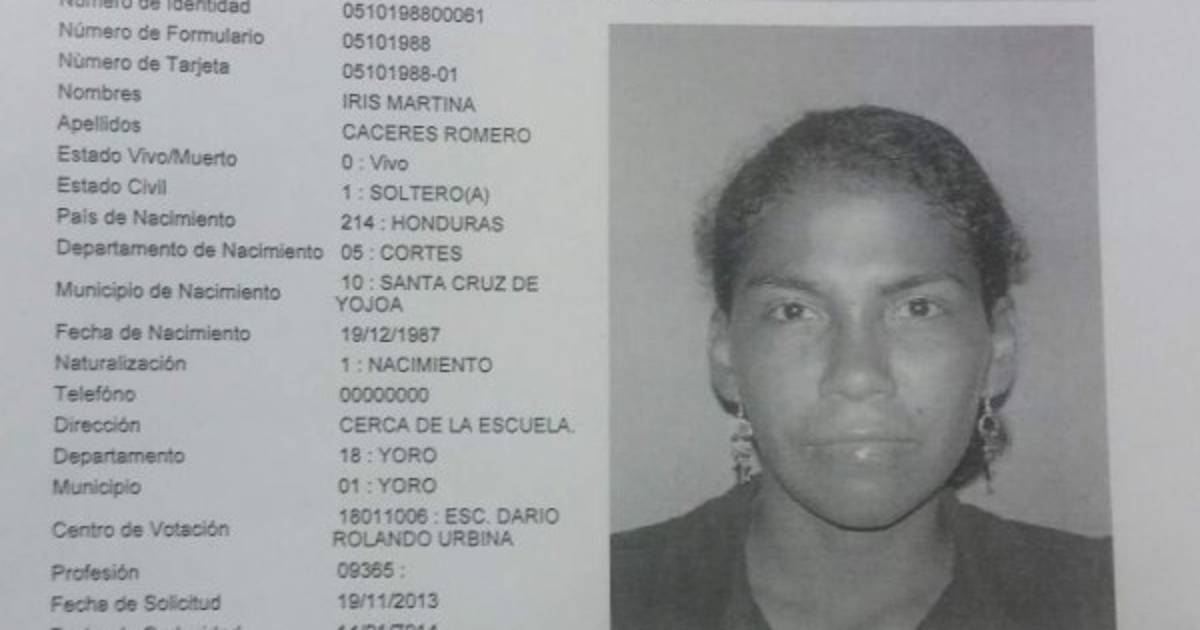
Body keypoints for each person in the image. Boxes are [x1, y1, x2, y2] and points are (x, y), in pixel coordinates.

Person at [610, 106, 1115, 630]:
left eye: (918, 308)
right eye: (794, 311)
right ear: (726, 357)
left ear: (999, 352)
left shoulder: (1110, 599)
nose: (857, 375)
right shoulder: (599, 595)